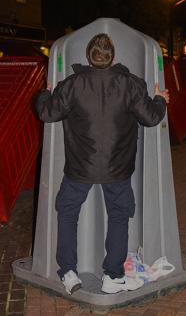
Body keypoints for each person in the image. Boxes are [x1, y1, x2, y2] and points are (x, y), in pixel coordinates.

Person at [35, 33, 169, 295]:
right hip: (118, 168)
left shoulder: (72, 84)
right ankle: (113, 276)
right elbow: (151, 118)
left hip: (79, 167)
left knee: (68, 213)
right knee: (119, 216)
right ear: (112, 57)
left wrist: (44, 93)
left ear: (88, 56)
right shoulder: (130, 84)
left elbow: (46, 113)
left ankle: (69, 272)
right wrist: (160, 98)